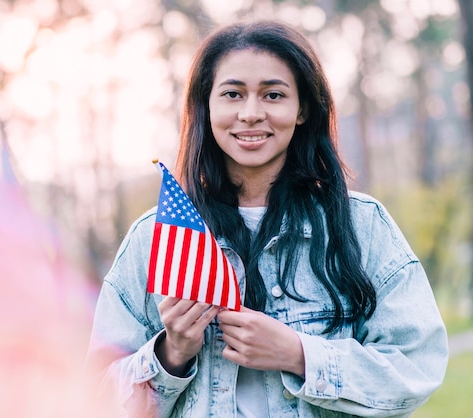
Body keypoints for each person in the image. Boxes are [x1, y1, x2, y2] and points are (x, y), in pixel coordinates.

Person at [87, 20, 448, 417]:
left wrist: (299, 355)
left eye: (273, 94)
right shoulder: (155, 238)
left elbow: (416, 367)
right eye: (232, 94)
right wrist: (171, 353)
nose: (251, 113)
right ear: (206, 107)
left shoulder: (362, 226)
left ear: (302, 110)